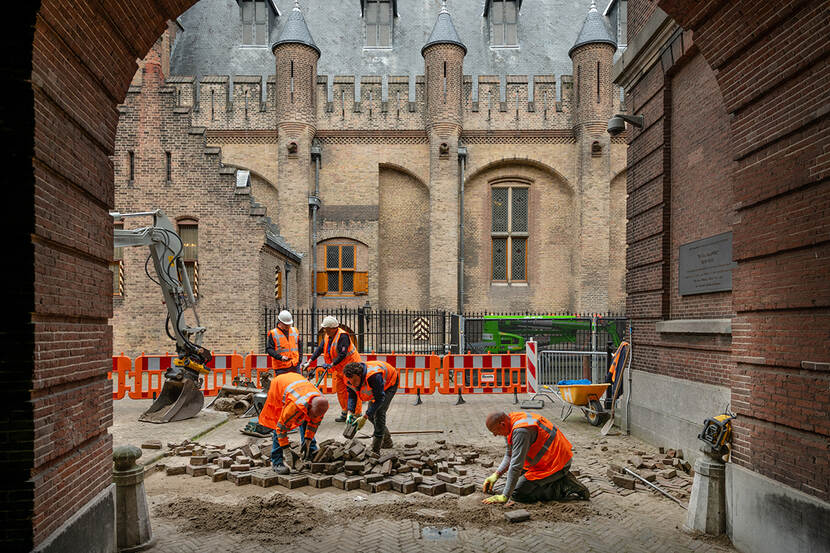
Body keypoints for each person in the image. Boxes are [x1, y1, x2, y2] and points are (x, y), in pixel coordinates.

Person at [481, 411, 589, 504]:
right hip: (546, 461)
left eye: (495, 431)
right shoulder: (511, 422)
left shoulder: (521, 431)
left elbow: (515, 465)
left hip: (557, 463)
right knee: (515, 480)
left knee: (517, 493)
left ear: (503, 424)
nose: (495, 435)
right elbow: (510, 455)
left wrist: (504, 496)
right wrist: (496, 475)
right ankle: (555, 480)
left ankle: (564, 485)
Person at [258, 371, 329, 474]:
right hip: (279, 386)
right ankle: (277, 461)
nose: (313, 417)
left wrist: (308, 441)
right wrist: (287, 452)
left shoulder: (321, 405)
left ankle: (310, 451)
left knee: (307, 420)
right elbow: (281, 429)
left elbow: (313, 424)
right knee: (278, 423)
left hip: (295, 380)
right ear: (309, 406)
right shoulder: (294, 407)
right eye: (312, 414)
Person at [301, 316, 362, 422]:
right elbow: (319, 349)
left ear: (333, 328)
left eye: (327, 329)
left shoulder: (343, 336)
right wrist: (309, 361)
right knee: (341, 390)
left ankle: (356, 414)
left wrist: (332, 364)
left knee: (352, 390)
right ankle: (345, 412)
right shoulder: (327, 336)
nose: (325, 330)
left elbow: (342, 354)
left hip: (351, 367)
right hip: (339, 368)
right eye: (324, 329)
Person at [343, 360, 398, 455]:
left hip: (390, 383)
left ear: (360, 375)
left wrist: (365, 417)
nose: (354, 384)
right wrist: (349, 413)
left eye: (355, 381)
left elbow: (379, 398)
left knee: (379, 413)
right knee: (372, 416)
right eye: (352, 382)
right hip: (378, 387)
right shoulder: (350, 378)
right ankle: (387, 440)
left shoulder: (373, 376)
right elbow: (352, 395)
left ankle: (376, 449)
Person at [266, 310, 302, 376]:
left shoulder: (295, 331)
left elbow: (299, 346)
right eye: (286, 325)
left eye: (289, 324)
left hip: (294, 365)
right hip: (281, 367)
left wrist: (299, 360)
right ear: (280, 323)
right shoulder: (273, 333)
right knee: (283, 386)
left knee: (297, 385)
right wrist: (280, 357)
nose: (288, 326)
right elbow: (269, 349)